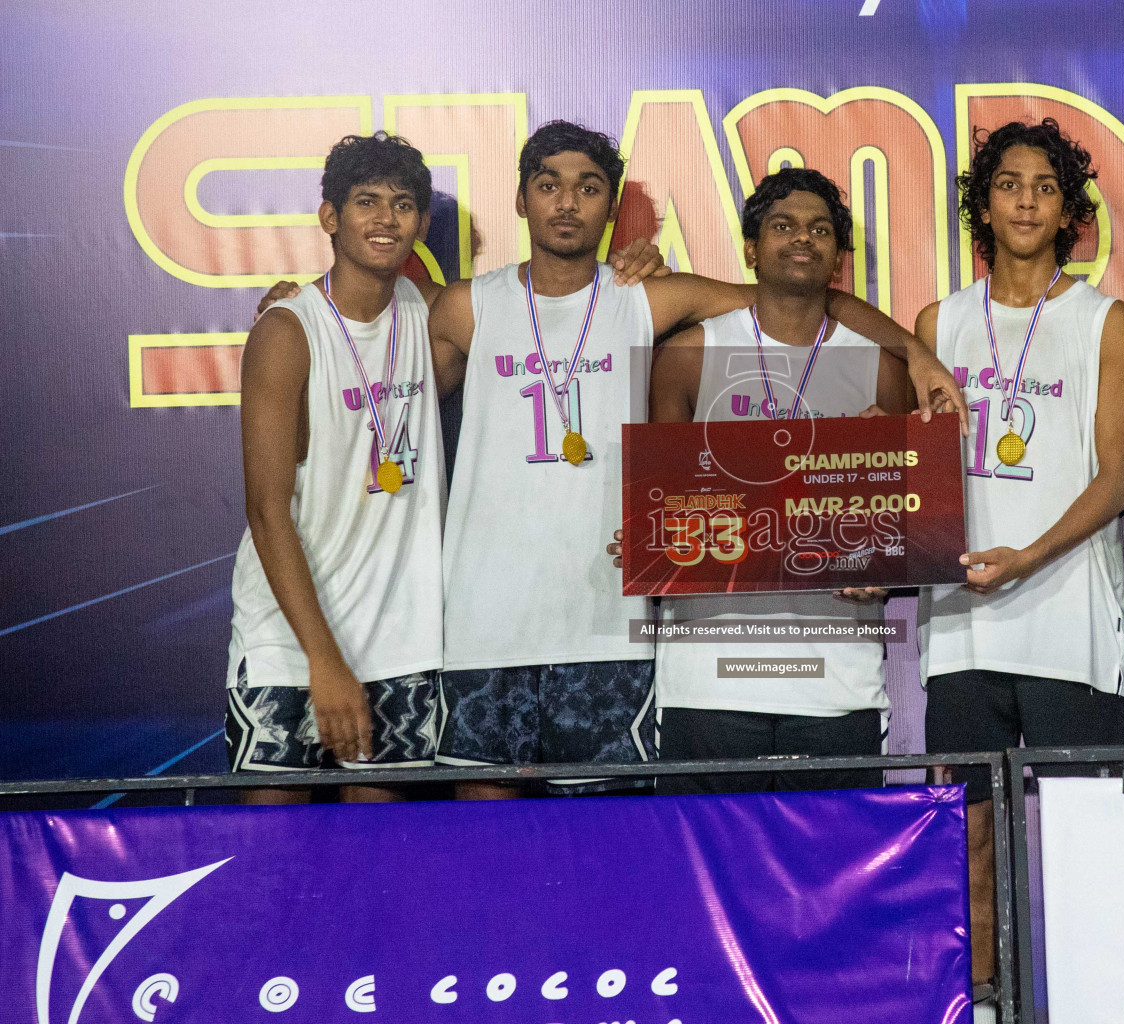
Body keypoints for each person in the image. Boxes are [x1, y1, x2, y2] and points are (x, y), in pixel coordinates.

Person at [428, 122, 965, 797]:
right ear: (520, 198)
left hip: (607, 631)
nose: (567, 202)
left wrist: (914, 352)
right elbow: (382, 381)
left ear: (610, 204)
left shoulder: (648, 300)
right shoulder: (463, 307)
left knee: (609, 849)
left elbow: (798, 298)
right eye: (548, 185)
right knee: (484, 836)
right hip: (487, 623)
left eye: (587, 187)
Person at [915, 120, 1124, 983]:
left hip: (1069, 625)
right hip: (963, 630)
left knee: (1092, 833)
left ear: (1067, 209)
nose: (1024, 199)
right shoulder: (940, 320)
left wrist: (1030, 556)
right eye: (1008, 182)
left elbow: (1118, 476)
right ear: (984, 201)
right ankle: (982, 999)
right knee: (970, 831)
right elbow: (910, 476)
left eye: (1044, 186)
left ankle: (1105, 995)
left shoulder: (1104, 322)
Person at [636, 167, 912, 794]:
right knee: (708, 880)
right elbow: (664, 506)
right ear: (751, 248)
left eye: (820, 230)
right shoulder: (689, 355)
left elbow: (899, 529)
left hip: (837, 679)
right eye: (783, 226)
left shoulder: (880, 371)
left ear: (838, 258)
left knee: (829, 884)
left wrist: (881, 566)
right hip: (707, 676)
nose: (802, 240)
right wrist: (648, 542)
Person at [226, 132, 445, 800]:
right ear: (331, 217)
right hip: (288, 649)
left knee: (381, 873)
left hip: (401, 645)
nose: (385, 218)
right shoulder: (287, 331)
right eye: (366, 201)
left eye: (402, 203)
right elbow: (267, 512)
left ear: (422, 223)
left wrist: (640, 261)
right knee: (268, 861)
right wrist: (324, 660)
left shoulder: (434, 312)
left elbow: (551, 301)